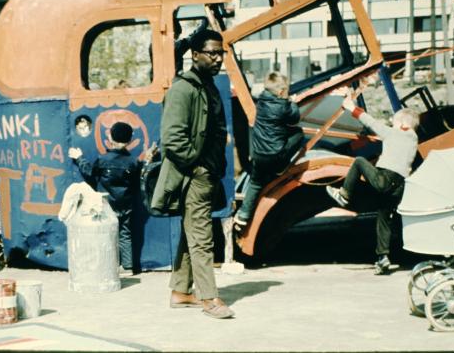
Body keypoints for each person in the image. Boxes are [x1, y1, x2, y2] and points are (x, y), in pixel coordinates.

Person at [150, 29, 234, 319]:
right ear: (194, 54)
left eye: (220, 53)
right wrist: (197, 167)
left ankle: (181, 292)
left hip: (207, 173)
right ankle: (210, 298)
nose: (217, 58)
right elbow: (172, 138)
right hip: (196, 175)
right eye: (211, 52)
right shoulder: (183, 89)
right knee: (202, 237)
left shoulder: (206, 84)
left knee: (192, 235)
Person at [326, 87, 419, 275]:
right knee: (384, 219)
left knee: (359, 162)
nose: (391, 125)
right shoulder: (413, 139)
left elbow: (372, 123)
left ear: (402, 125)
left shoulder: (395, 133)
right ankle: (383, 257)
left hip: (385, 178)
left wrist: (352, 108)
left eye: (394, 123)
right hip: (399, 186)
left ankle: (344, 195)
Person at [233, 72, 304, 233]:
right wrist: (292, 102)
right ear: (280, 92)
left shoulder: (261, 101)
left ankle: (243, 216)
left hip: (258, 154)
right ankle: (281, 167)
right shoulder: (283, 106)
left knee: (256, 183)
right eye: (287, 91)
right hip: (275, 156)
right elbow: (295, 118)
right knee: (299, 133)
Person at [68, 122, 141, 276]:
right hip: (126, 205)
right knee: (125, 234)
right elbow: (136, 184)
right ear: (129, 141)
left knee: (104, 234)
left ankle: (106, 265)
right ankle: (127, 267)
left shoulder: (103, 160)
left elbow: (89, 173)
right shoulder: (133, 162)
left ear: (111, 138)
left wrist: (79, 157)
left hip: (107, 206)